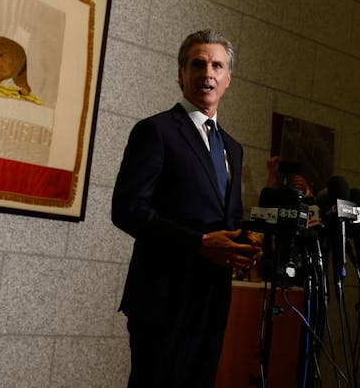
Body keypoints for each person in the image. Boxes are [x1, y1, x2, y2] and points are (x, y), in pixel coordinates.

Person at [112, 29, 262, 387]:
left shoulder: (233, 148)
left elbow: (224, 217)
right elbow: (127, 209)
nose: (207, 72)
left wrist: (246, 238)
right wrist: (199, 242)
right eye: (197, 64)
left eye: (216, 65)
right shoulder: (156, 131)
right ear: (181, 75)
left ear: (227, 79)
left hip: (211, 304)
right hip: (162, 302)